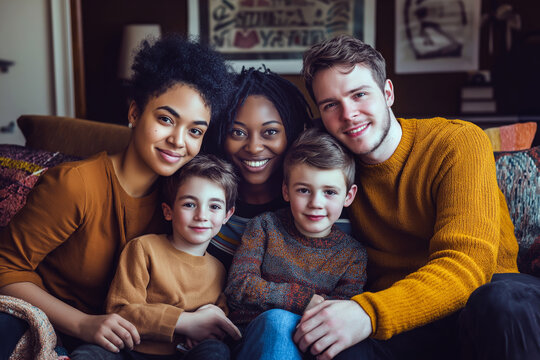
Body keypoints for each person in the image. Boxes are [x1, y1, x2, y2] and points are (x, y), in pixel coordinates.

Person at [293, 34, 540, 360]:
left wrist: (367, 312)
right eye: (330, 105)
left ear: (388, 93)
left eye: (360, 94)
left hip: (488, 296)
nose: (348, 114)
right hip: (405, 313)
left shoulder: (458, 141)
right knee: (330, 343)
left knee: (500, 303)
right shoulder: (335, 170)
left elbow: (467, 266)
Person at [0, 34, 234, 358]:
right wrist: (82, 324)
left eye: (195, 130)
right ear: (135, 113)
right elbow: (5, 268)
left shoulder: (181, 200)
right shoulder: (76, 185)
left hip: (130, 341)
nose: (178, 140)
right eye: (165, 119)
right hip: (59, 325)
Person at [225, 128, 368, 360]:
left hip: (313, 344)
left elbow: (342, 313)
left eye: (330, 192)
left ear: (348, 196)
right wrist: (302, 300)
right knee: (278, 321)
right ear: (286, 191)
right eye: (303, 190)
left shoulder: (353, 254)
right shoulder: (264, 227)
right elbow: (239, 286)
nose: (315, 203)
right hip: (255, 339)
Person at [105, 154, 242, 360]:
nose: (201, 216)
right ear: (168, 211)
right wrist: (186, 321)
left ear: (227, 215)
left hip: (182, 355)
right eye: (189, 204)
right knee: (91, 351)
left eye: (214, 207)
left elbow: (219, 323)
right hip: (130, 350)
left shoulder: (219, 270)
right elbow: (120, 312)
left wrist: (209, 327)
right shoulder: (143, 248)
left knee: (217, 352)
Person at [206, 66, 314, 270]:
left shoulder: (315, 205)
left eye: (270, 132)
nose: (254, 147)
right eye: (237, 133)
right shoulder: (204, 205)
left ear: (290, 133)